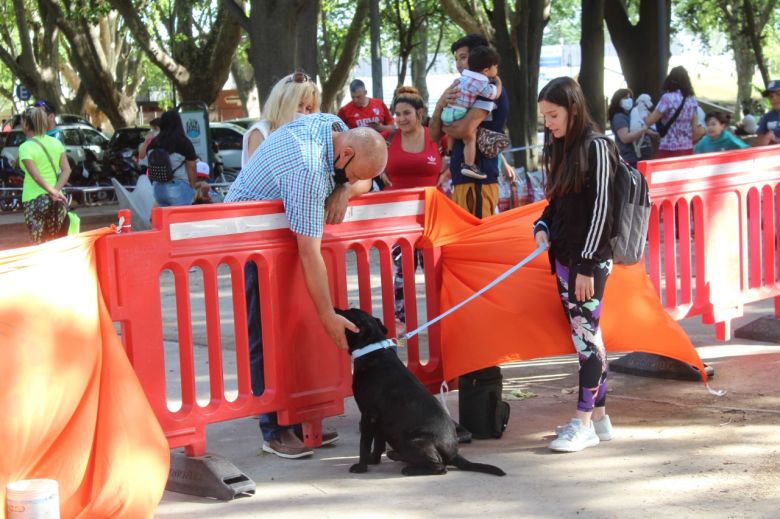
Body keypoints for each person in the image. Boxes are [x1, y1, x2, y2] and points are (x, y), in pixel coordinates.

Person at [225, 113, 386, 459]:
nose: (357, 179)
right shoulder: (307, 169)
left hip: (280, 237)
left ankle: (299, 418)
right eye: (354, 172)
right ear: (345, 155)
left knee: (293, 327)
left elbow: (369, 183)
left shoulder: (334, 130)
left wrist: (346, 187)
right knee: (267, 333)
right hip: (250, 242)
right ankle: (274, 428)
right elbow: (310, 253)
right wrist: (328, 314)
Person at [533, 77, 618, 453]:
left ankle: (583, 421)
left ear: (573, 108)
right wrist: (542, 226)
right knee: (589, 338)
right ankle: (599, 419)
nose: (548, 123)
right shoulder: (564, 148)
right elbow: (559, 203)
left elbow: (603, 210)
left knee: (586, 340)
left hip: (588, 262)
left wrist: (586, 264)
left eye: (553, 115)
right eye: (545, 117)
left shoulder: (598, 147)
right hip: (566, 259)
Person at [379, 86, 449, 324]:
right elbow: (362, 157)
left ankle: (439, 318)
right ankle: (402, 322)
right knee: (401, 272)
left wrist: (447, 171)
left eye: (406, 113)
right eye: (397, 114)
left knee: (435, 269)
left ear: (420, 113)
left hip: (432, 216)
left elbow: (458, 155)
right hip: (397, 218)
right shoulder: (388, 138)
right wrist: (378, 173)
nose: (401, 119)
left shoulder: (436, 137)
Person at [430, 34, 509, 219]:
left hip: (479, 179)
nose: (458, 64)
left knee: (479, 239)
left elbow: (463, 130)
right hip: (461, 178)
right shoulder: (458, 87)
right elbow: (433, 135)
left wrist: (446, 125)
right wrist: (440, 104)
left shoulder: (487, 90)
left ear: (479, 57)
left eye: (463, 57)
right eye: (456, 58)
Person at [440, 45, 501, 180]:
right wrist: (498, 83)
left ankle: (449, 151)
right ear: (486, 70)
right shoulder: (480, 83)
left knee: (452, 127)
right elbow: (493, 94)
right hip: (458, 113)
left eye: (463, 58)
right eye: (495, 67)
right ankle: (469, 165)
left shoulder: (461, 79)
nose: (497, 70)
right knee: (470, 137)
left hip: (447, 113)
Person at [242, 70, 320, 167]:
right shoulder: (261, 132)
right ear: (282, 101)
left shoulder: (308, 135)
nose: (303, 112)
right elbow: (254, 176)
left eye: (309, 108)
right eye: (299, 104)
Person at [18, 106, 72, 244]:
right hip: (57, 200)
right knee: (57, 242)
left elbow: (36, 176)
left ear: (26, 124)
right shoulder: (56, 143)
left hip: (34, 201)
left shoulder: (25, 147)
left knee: (39, 244)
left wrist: (52, 191)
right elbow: (67, 170)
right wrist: (56, 191)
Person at [139, 110, 198, 206]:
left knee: (166, 220)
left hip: (158, 188)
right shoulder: (184, 142)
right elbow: (192, 167)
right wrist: (193, 186)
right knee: (181, 220)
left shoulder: (155, 141)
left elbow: (142, 156)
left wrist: (146, 141)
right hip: (179, 187)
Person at [644, 66, 704, 158]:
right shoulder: (692, 100)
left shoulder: (667, 98)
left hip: (667, 148)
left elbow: (650, 121)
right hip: (686, 149)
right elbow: (695, 128)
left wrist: (645, 116)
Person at [607, 88, 650, 167]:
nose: (629, 100)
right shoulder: (619, 117)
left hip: (635, 157)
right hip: (628, 159)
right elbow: (625, 138)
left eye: (630, 97)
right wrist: (643, 129)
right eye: (625, 98)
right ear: (618, 100)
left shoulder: (630, 115)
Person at [756, 79, 780, 146]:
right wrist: (766, 138)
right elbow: (758, 144)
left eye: (778, 94)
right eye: (771, 96)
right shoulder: (767, 117)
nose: (774, 98)